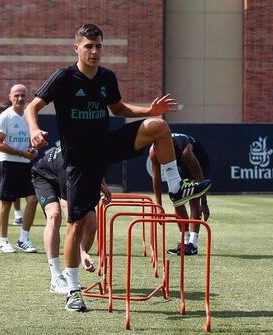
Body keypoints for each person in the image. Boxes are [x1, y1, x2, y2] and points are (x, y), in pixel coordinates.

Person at [25, 24, 212, 312]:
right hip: (78, 160)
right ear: (77, 48)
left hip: (106, 144)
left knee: (158, 126)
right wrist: (34, 129)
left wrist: (148, 111)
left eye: (98, 46)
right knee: (75, 225)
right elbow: (31, 107)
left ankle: (176, 188)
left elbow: (119, 109)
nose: (95, 51)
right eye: (89, 46)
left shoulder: (107, 77)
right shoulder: (63, 78)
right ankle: (72, 289)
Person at [32, 145, 111, 294]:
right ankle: (56, 278)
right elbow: (70, 215)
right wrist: (81, 251)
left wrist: (101, 182)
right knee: (54, 215)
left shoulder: (94, 152)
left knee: (92, 223)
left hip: (75, 175)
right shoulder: (68, 164)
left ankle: (69, 271)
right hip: (44, 176)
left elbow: (96, 164)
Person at [0, 84, 38, 253]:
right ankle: (3, 241)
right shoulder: (5, 117)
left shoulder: (28, 116)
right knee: (6, 203)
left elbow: (30, 141)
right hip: (8, 164)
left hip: (25, 164)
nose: (20, 98)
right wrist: (21, 153)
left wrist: (33, 150)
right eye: (16, 95)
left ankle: (23, 239)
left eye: (22, 95)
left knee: (33, 200)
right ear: (10, 97)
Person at [150, 133, 210, 256]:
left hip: (199, 163)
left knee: (194, 199)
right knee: (177, 197)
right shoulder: (154, 151)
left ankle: (192, 245)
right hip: (181, 166)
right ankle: (185, 242)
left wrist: (204, 203)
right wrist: (158, 206)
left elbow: (200, 179)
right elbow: (156, 179)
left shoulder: (185, 152)